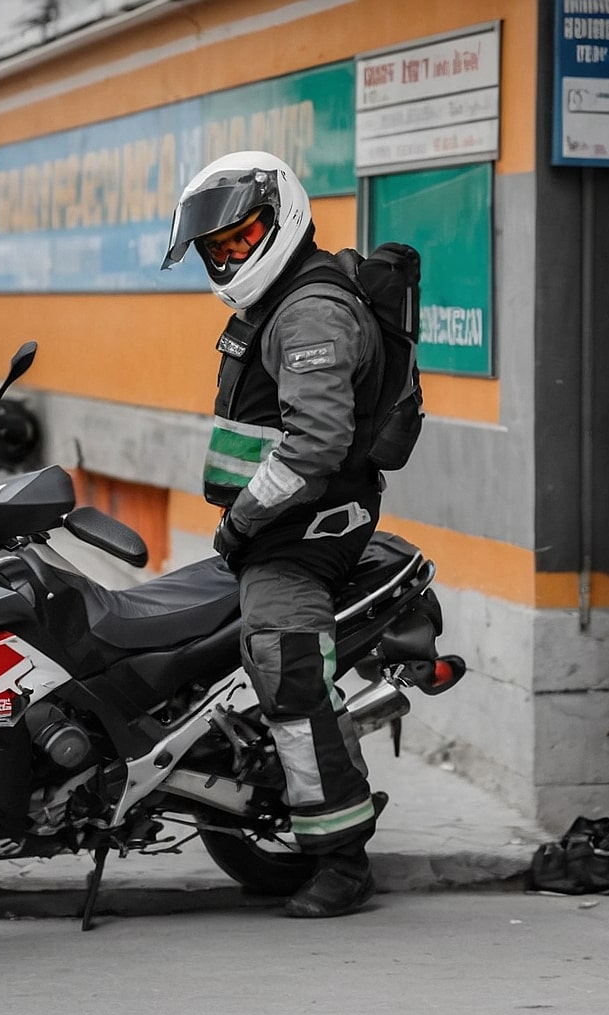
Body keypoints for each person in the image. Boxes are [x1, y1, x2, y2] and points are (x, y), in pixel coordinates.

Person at [162, 150, 387, 918]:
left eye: (239, 238)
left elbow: (315, 445)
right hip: (272, 528)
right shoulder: (278, 302)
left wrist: (242, 522)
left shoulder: (310, 310)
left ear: (281, 216)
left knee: (287, 667)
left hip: (303, 534)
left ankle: (341, 858)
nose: (227, 257)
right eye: (215, 248)